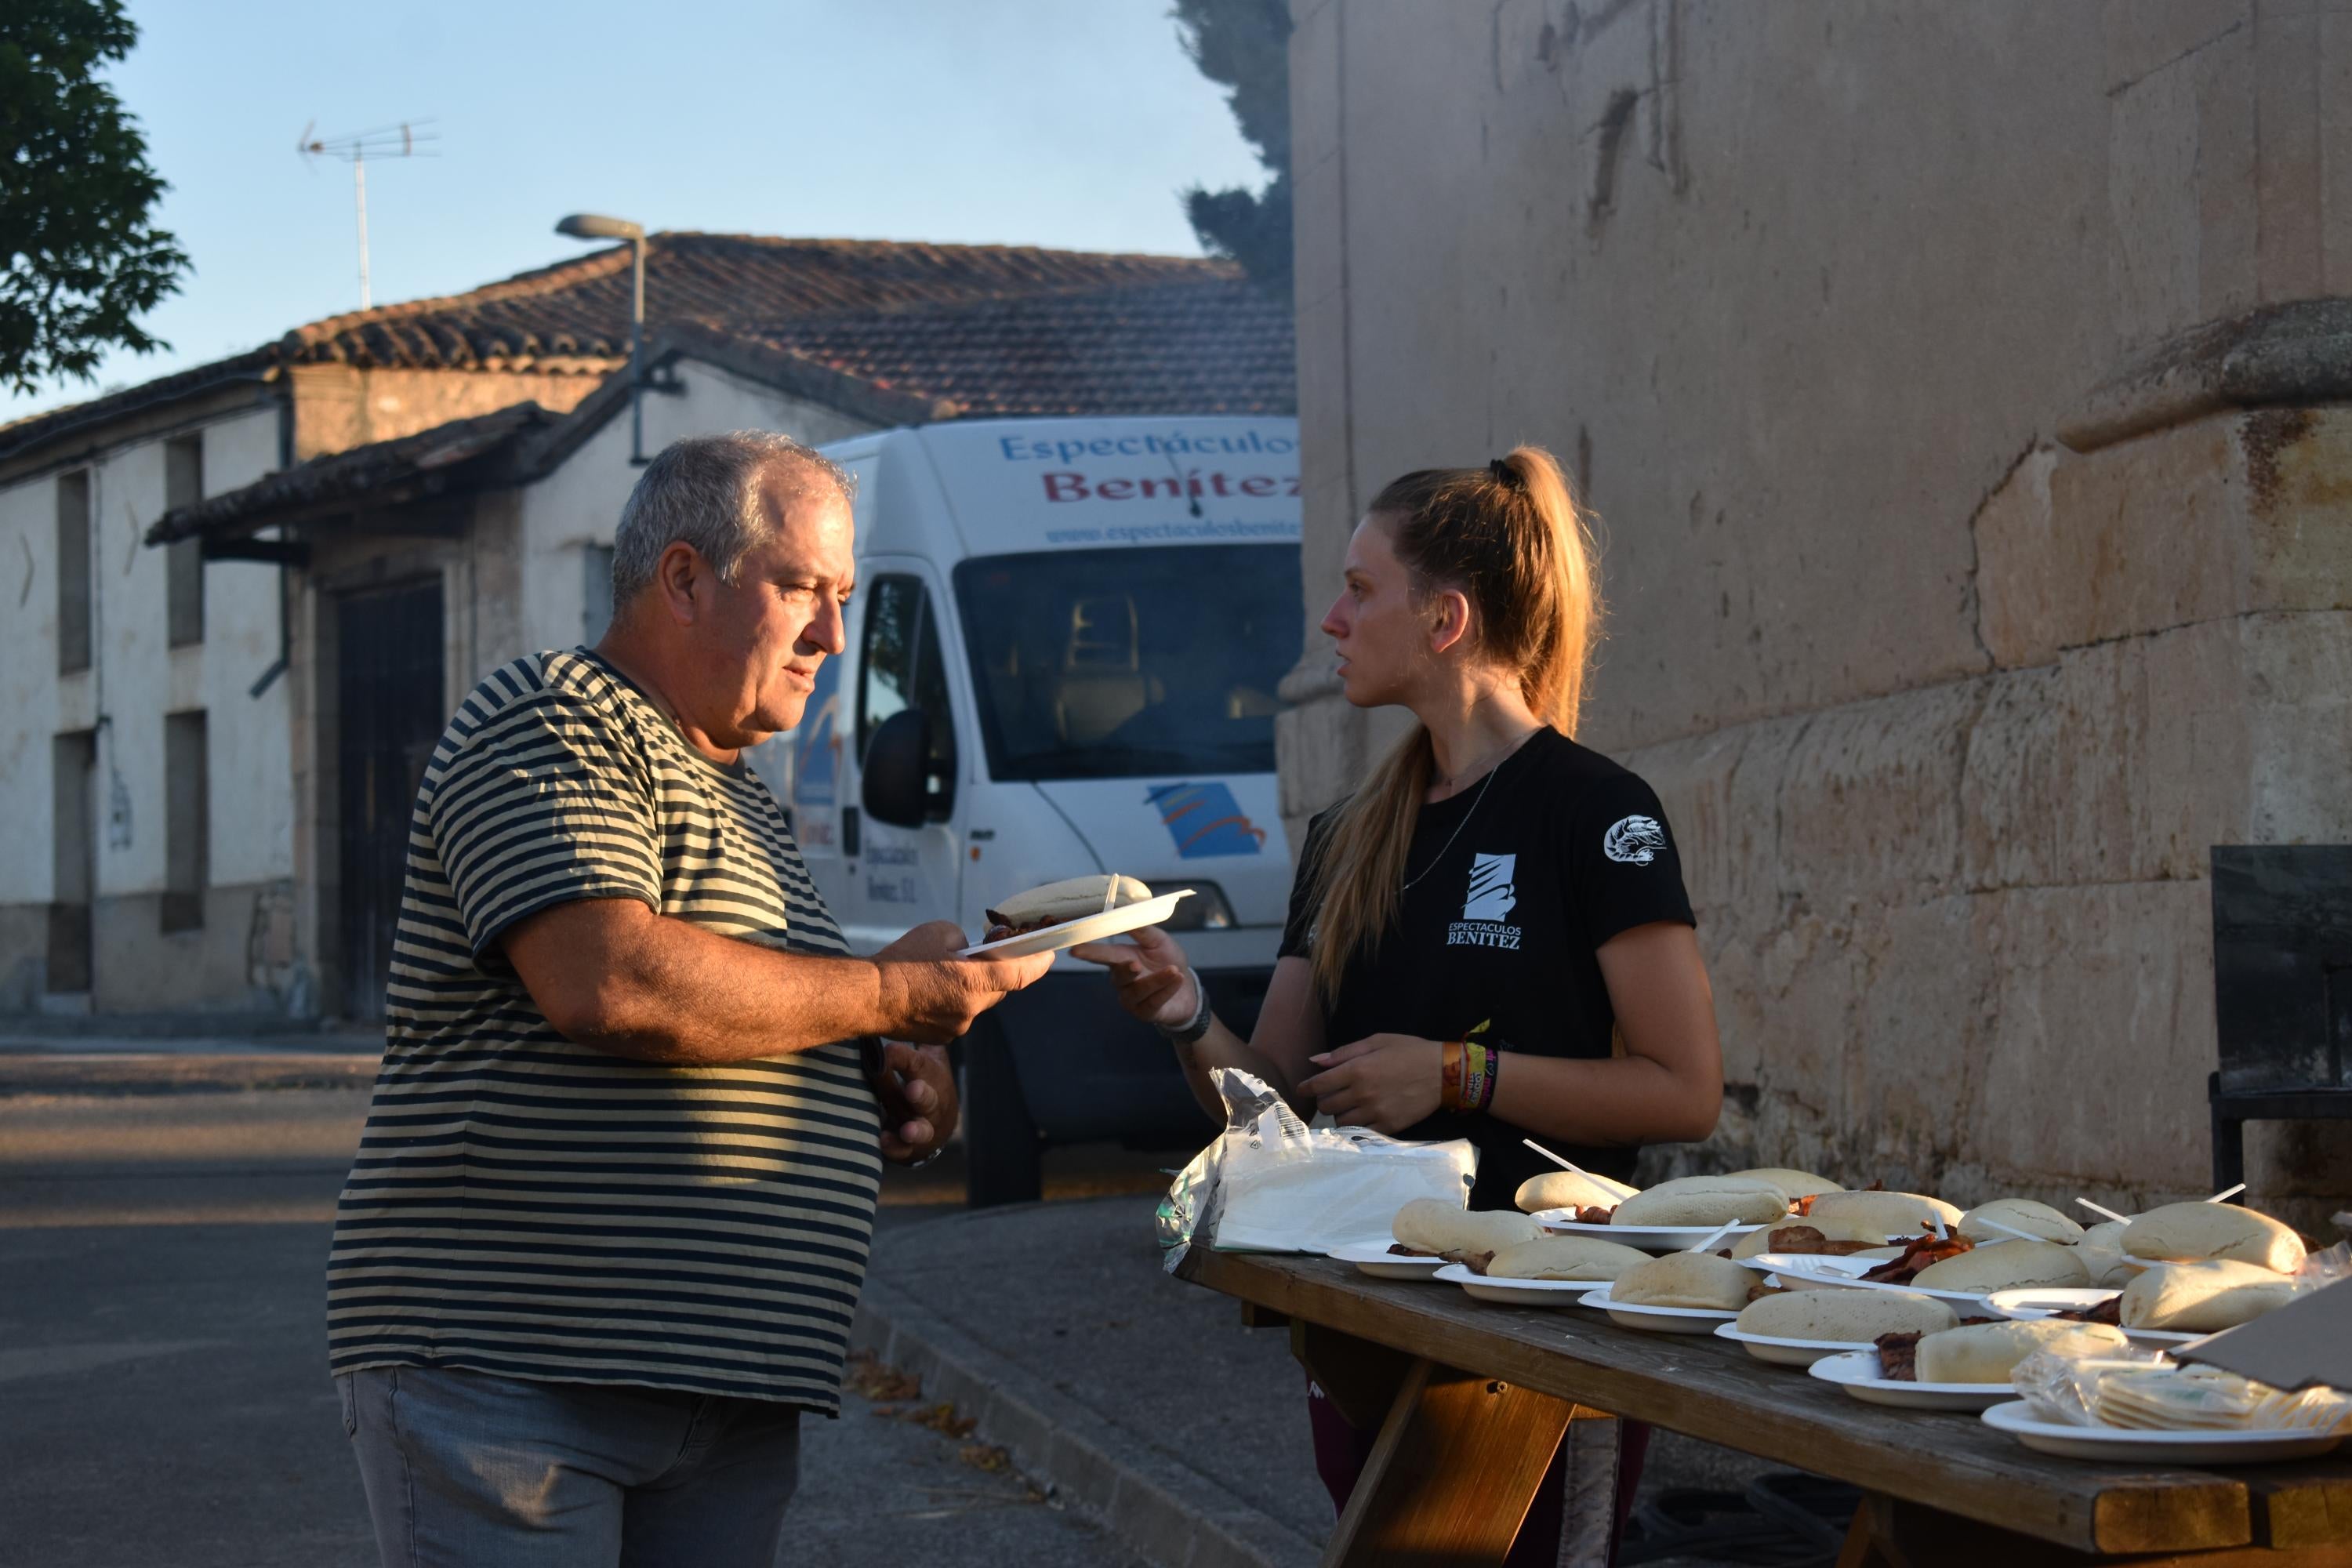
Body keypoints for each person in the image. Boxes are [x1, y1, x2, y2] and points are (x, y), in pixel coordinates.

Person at [326, 431, 1054, 1568]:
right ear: (683, 579)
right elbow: (608, 981)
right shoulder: (556, 715)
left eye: (845, 598)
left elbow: (749, 1010)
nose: (833, 637)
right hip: (519, 1377)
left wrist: (886, 1065)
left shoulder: (740, 796)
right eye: (804, 590)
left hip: (726, 1397)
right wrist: (889, 991)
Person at [1076, 446, 1722, 1565]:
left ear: (1446, 621)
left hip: (1544, 1340)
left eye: (1360, 588)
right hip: (1363, 1324)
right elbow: (1270, 1101)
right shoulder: (1346, 834)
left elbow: (1684, 1089)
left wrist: (1457, 1073)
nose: (1331, 619)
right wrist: (1185, 1014)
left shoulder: (1598, 812)